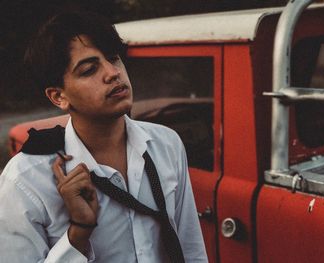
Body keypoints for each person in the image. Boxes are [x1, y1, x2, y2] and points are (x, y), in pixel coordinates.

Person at [0, 11, 207, 262]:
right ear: (58, 97)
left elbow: (191, 248)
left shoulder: (166, 144)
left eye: (114, 59)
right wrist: (77, 234)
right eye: (89, 70)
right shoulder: (26, 180)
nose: (112, 73)